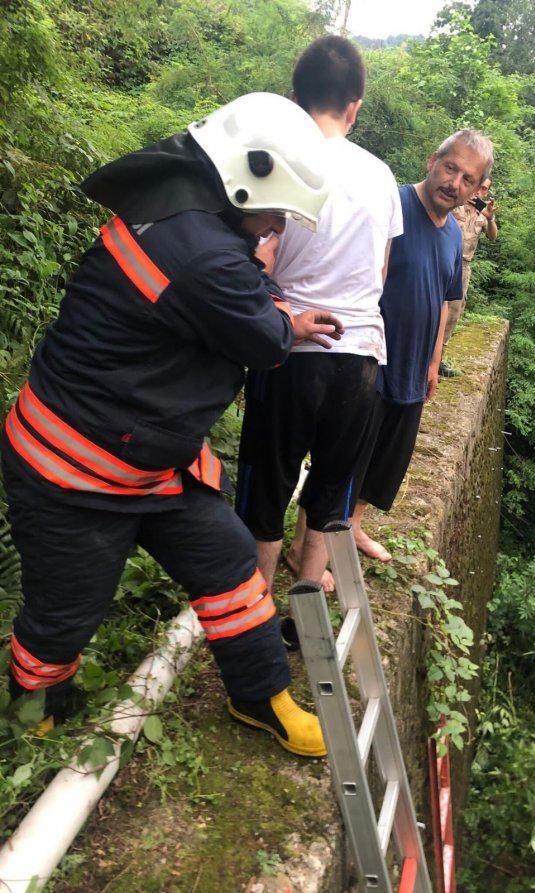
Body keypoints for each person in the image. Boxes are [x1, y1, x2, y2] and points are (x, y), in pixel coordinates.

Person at [1, 92, 344, 758]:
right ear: (248, 182)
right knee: (62, 616)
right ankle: (34, 718)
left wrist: (269, 303)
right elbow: (265, 337)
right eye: (275, 216)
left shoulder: (180, 205)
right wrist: (279, 313)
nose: (274, 230)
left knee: (230, 560)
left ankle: (260, 695)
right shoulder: (206, 256)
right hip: (73, 466)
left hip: (144, 454)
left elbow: (247, 308)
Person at [236, 37, 403, 605]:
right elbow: (379, 273)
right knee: (330, 489)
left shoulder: (276, 167)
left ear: (293, 97)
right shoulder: (381, 177)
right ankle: (306, 596)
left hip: (290, 348)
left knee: (266, 488)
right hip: (359, 355)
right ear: (354, 106)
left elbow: (260, 258)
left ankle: (255, 609)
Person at [350, 130, 494, 562]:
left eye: (468, 179)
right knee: (344, 458)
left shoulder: (452, 233)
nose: (455, 183)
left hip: (414, 363)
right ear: (434, 160)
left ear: (475, 189)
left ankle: (353, 526)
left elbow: (441, 301)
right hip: (369, 358)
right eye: (451, 168)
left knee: (384, 459)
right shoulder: (392, 204)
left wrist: (434, 362)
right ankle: (307, 547)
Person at [439, 177, 497, 377]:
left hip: (463, 266)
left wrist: (489, 218)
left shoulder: (484, 212)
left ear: (486, 192)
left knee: (454, 311)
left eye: (484, 188)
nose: (479, 191)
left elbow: (493, 236)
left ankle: (438, 358)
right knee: (432, 304)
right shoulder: (456, 202)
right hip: (443, 258)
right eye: (478, 185)